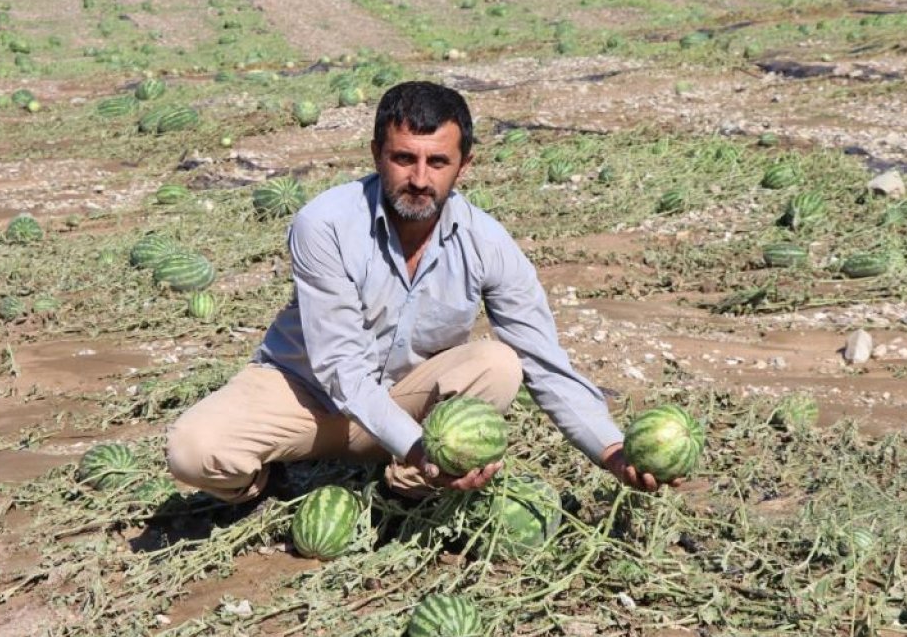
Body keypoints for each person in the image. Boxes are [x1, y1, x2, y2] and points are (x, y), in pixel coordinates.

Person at [165, 81, 679, 502]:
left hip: (403, 404)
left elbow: (545, 361)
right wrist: (418, 446)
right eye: (403, 158)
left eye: (437, 162)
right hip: (304, 394)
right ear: (376, 155)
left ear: (464, 165)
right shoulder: (325, 224)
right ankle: (265, 483)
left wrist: (611, 451)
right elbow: (342, 368)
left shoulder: (487, 242)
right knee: (192, 449)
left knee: (500, 363)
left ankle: (406, 489)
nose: (418, 178)